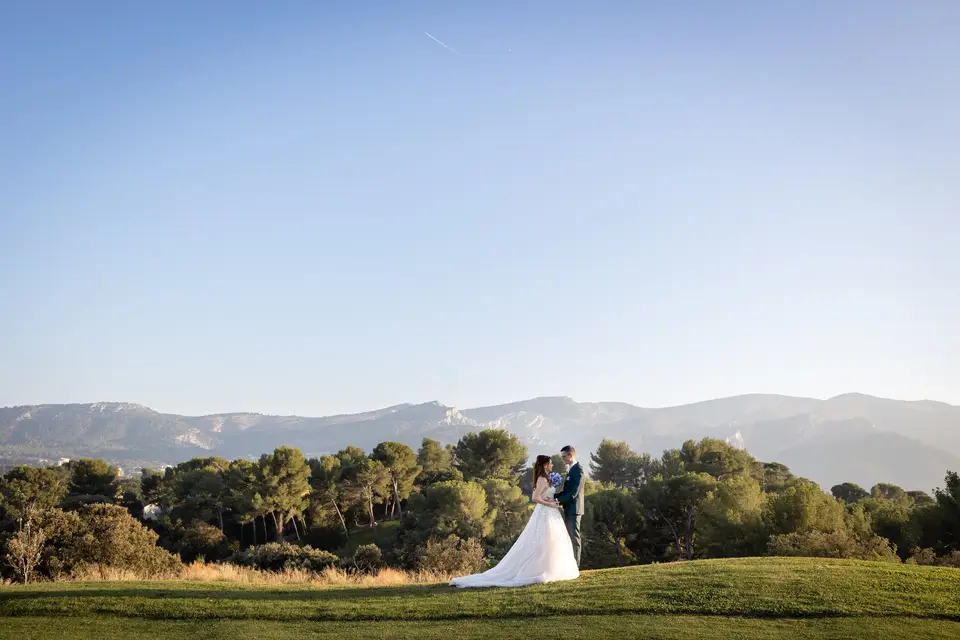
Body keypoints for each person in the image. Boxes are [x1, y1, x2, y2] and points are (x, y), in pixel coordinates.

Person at [449, 454, 580, 588]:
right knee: (544, 540)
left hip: (551, 513)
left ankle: (551, 567)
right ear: (546, 465)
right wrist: (550, 504)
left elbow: (543, 496)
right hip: (546, 512)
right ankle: (541, 569)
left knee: (552, 540)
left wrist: (552, 501)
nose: (552, 465)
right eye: (550, 463)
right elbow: (535, 498)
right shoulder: (542, 479)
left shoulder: (546, 478)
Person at [553, 445, 585, 566]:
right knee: (568, 538)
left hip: (574, 510)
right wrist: (552, 497)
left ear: (570, 455)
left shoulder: (578, 470)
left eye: (564, 456)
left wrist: (556, 501)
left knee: (574, 538)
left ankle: (575, 565)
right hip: (568, 509)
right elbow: (566, 491)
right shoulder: (571, 469)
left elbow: (573, 493)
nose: (562, 459)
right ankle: (569, 564)